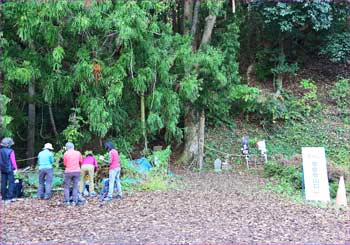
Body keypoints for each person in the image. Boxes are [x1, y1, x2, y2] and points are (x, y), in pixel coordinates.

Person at [0, 137, 18, 202]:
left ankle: (3, 198)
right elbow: (13, 161)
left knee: (3, 183)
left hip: (2, 169)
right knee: (11, 183)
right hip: (10, 169)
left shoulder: (0, 151)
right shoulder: (11, 151)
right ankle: (10, 198)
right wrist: (15, 169)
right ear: (9, 144)